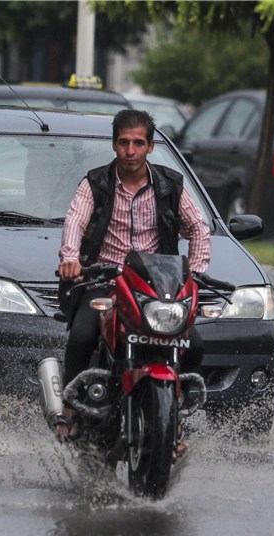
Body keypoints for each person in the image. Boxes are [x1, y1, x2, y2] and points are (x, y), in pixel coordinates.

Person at [55, 109, 211, 449]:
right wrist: (70, 259)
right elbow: (75, 221)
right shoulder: (94, 182)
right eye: (124, 142)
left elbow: (199, 227)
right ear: (114, 145)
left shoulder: (171, 184)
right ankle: (70, 407)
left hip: (157, 283)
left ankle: (175, 417)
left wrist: (194, 274)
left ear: (151, 147)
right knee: (82, 335)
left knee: (194, 344)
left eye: (138, 143)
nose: (130, 150)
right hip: (104, 278)